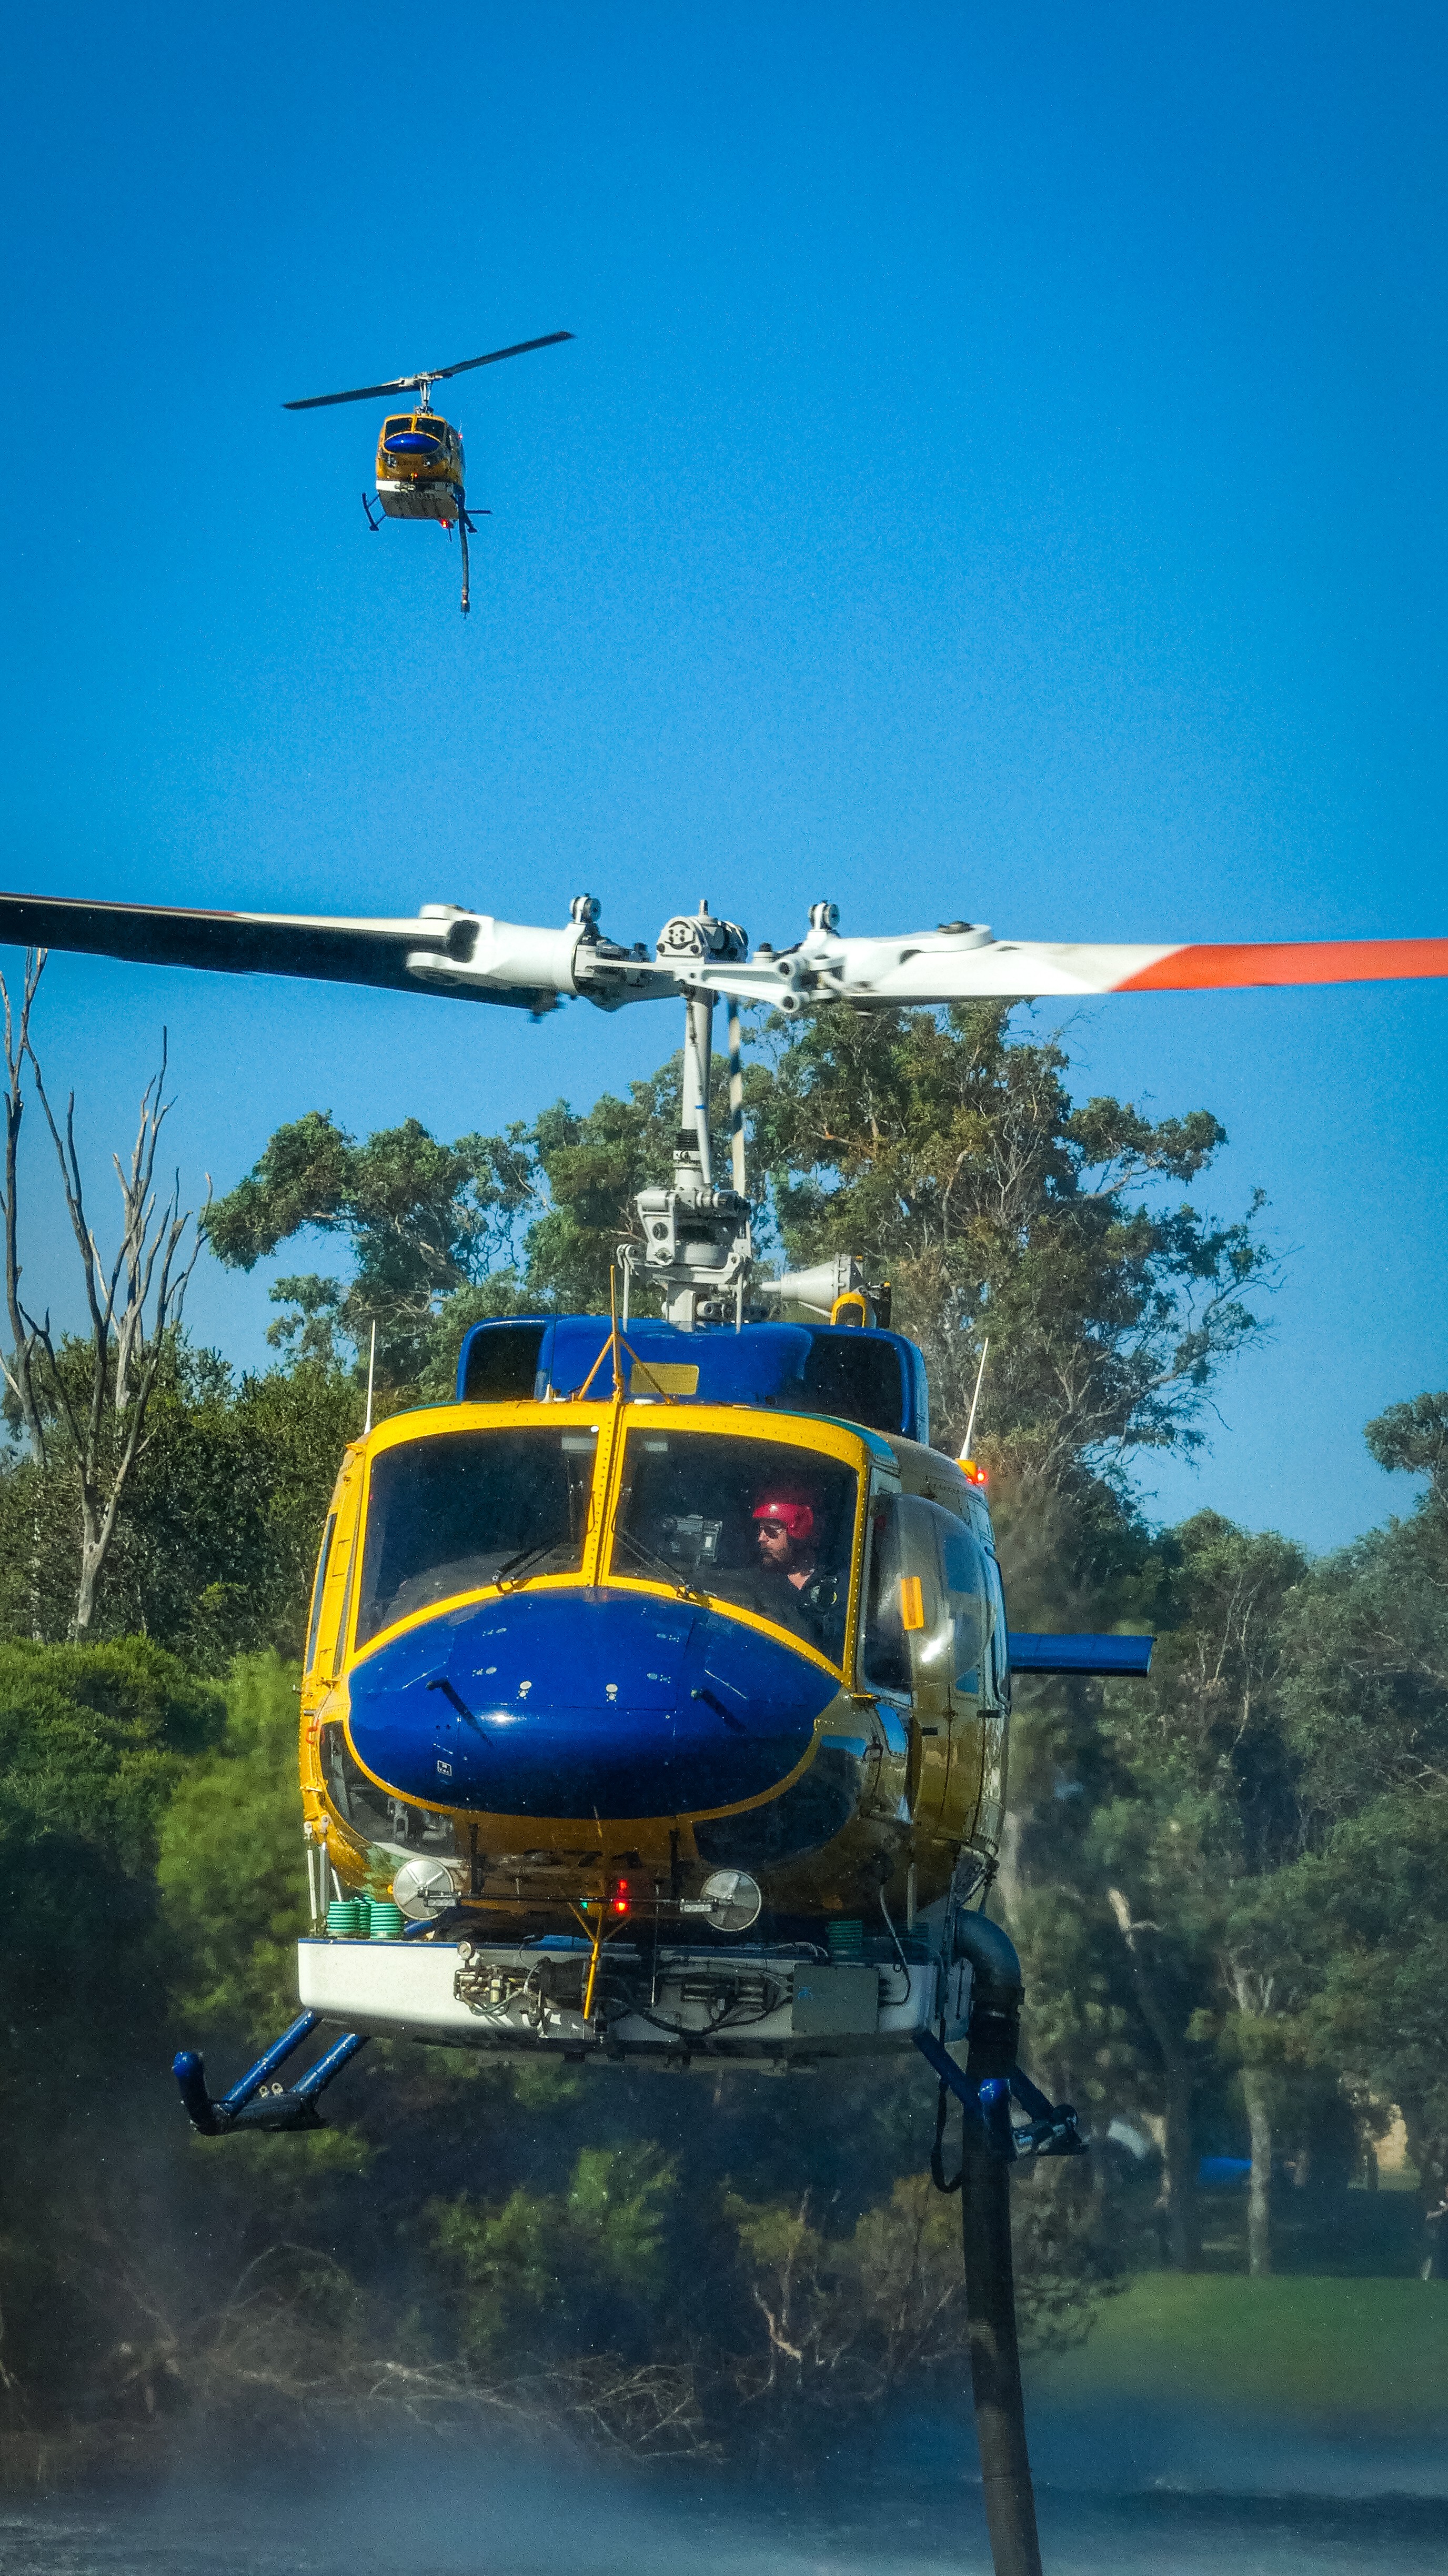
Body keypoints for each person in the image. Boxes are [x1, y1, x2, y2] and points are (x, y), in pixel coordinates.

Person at [750, 1485, 844, 1654]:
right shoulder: (756, 1583)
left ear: (800, 1532)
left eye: (771, 1531)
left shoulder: (840, 1584)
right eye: (761, 1530)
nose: (761, 1539)